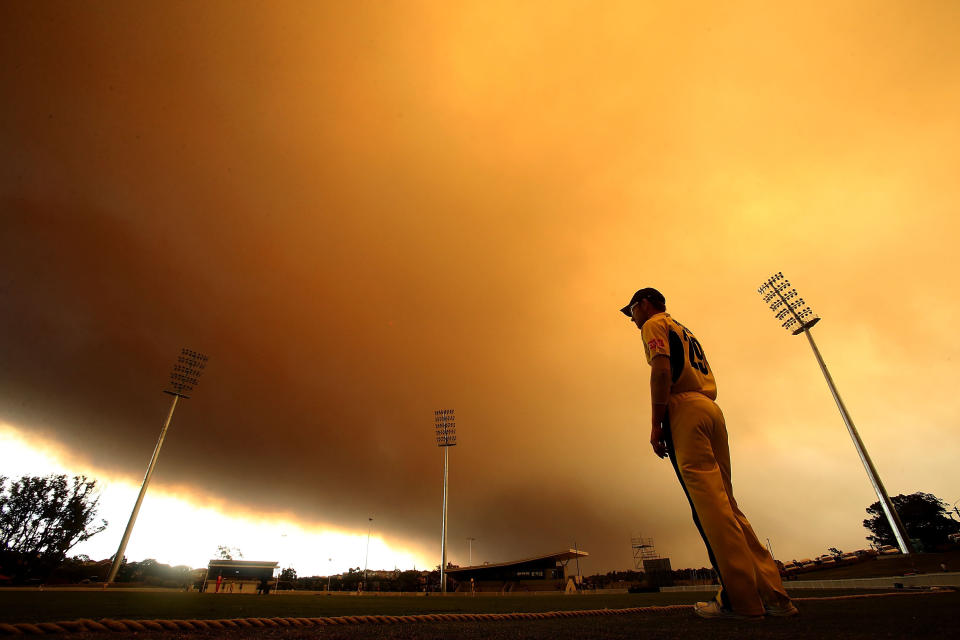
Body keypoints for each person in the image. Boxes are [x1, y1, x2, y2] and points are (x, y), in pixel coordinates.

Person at [621, 287, 798, 620]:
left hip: (684, 408)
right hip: (711, 408)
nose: (631, 319)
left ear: (644, 304)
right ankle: (774, 596)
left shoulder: (653, 325)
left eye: (631, 310)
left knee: (710, 508)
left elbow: (660, 370)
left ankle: (740, 600)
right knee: (728, 504)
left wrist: (656, 424)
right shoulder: (682, 328)